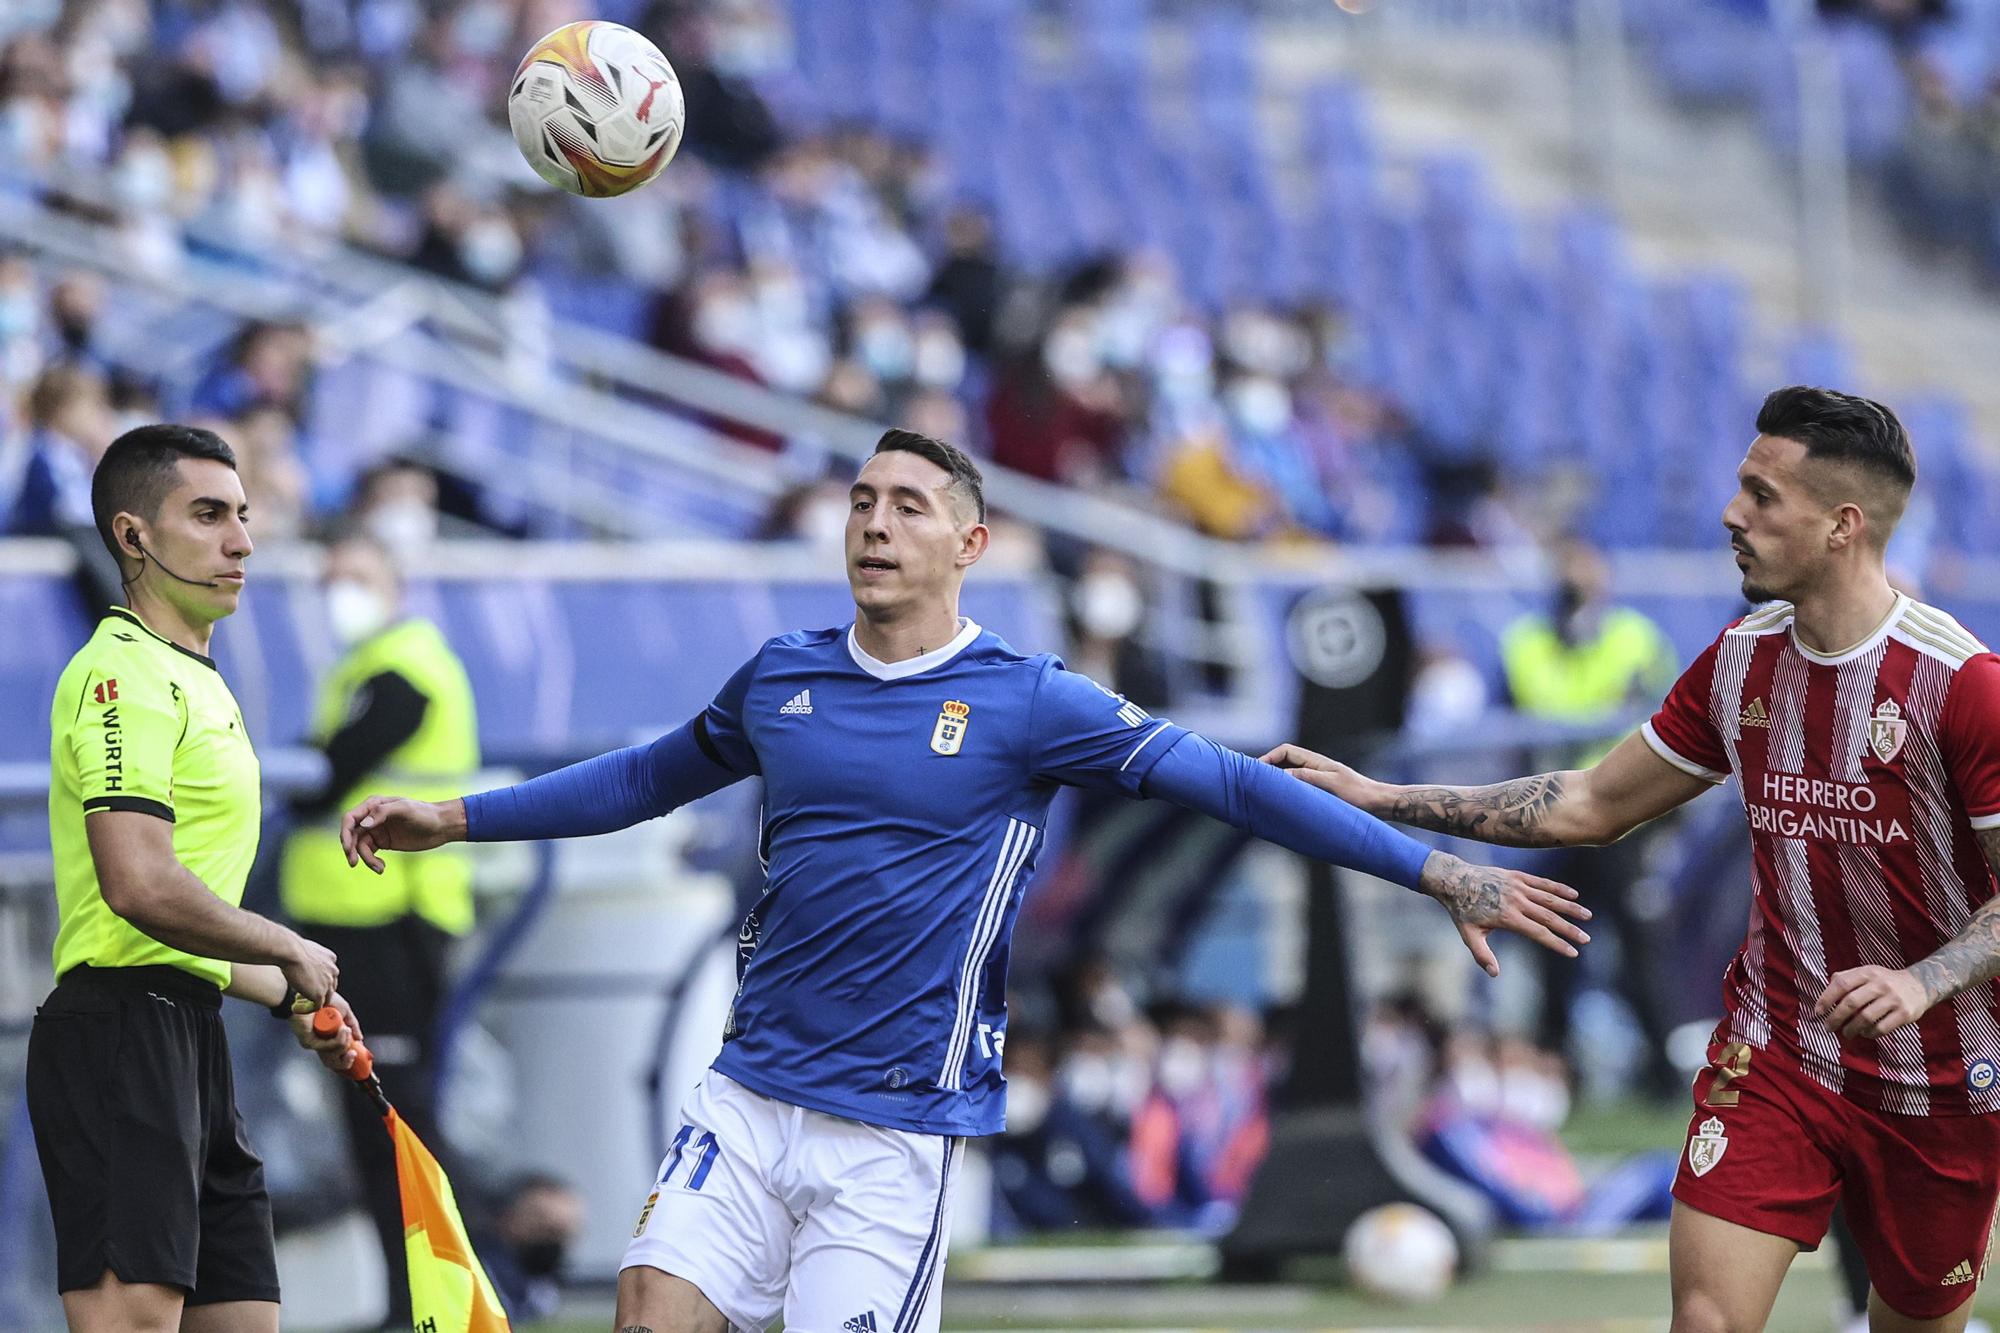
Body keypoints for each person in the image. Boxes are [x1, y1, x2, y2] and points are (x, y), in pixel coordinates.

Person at [335, 428, 1590, 1333]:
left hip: (895, 1130)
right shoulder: (782, 676)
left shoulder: (1029, 700)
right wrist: (454, 816)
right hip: (747, 1097)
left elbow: (1235, 783)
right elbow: (637, 781)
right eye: (861, 502)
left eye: (907, 507)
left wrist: (1430, 866)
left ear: (968, 543)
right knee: (648, 1312)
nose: (875, 524)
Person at [1266, 386, 2000, 1333]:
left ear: (1841, 526)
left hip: (1945, 1076)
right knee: (1705, 1321)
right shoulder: (1740, 661)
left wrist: (1922, 982)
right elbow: (1590, 802)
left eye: (1763, 496)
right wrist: (1379, 794)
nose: (1732, 513)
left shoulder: (1963, 689)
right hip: (1781, 1052)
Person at [27, 423, 360, 1332]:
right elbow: (137, 885)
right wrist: (286, 940)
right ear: (133, 536)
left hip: (190, 1035)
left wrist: (293, 994)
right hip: (119, 1041)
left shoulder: (201, 679)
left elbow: (177, 930)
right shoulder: (118, 674)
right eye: (208, 514)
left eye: (244, 516)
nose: (242, 540)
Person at [278, 529, 478, 1329]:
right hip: (356, 919)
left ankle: (432, 1298)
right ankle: (411, 1300)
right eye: (330, 576)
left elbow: (327, 772)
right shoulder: (364, 669)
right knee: (378, 1122)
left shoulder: (405, 671)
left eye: (355, 575)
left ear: (394, 583)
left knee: (395, 1120)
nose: (341, 591)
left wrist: (310, 766)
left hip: (391, 916)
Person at [1500, 536, 1681, 1094]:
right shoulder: (1525, 643)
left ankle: (1661, 1069)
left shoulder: (1635, 639)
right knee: (1551, 942)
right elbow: (1523, 724)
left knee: (1637, 945)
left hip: (1624, 817)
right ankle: (1558, 1070)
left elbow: (1673, 727)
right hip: (1553, 815)